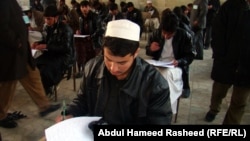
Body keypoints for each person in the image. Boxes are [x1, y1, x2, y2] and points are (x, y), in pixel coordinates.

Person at [55, 19, 173, 125]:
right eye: (108, 59)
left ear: (136, 53)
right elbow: (82, 99)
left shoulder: (155, 85)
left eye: (122, 63)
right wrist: (71, 113)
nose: (113, 68)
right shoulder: (92, 67)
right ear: (103, 50)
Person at [0, 0, 61, 129]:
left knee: (33, 74)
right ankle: (1, 115)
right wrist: (16, 42)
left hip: (21, 51)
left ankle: (44, 105)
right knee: (8, 85)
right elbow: (2, 27)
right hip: (11, 53)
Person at [205, 0, 250, 124]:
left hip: (247, 67)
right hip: (226, 61)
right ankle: (214, 109)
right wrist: (220, 55)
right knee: (218, 92)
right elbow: (217, 31)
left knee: (239, 102)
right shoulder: (230, 6)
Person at [146, 10, 196, 99]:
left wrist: (179, 61)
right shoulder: (156, 34)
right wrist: (150, 49)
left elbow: (191, 55)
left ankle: (167, 105)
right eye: (164, 33)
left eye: (169, 34)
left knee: (166, 75)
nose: (165, 36)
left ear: (175, 30)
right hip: (159, 63)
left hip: (175, 65)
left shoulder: (184, 35)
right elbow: (148, 51)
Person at [32, 5, 74, 95]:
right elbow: (47, 41)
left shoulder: (66, 29)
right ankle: (44, 87)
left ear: (56, 17)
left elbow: (65, 48)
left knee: (45, 71)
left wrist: (46, 46)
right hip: (51, 53)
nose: (47, 21)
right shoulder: (48, 27)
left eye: (49, 19)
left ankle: (47, 89)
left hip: (64, 56)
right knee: (34, 64)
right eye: (45, 19)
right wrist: (38, 43)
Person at [74, 0, 103, 78]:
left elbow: (100, 29)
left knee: (90, 56)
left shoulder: (95, 17)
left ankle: (91, 71)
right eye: (82, 7)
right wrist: (79, 32)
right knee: (79, 49)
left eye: (86, 7)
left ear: (89, 7)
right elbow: (82, 30)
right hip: (84, 40)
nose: (84, 9)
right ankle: (82, 69)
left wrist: (92, 36)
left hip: (94, 41)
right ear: (80, 8)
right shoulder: (81, 18)